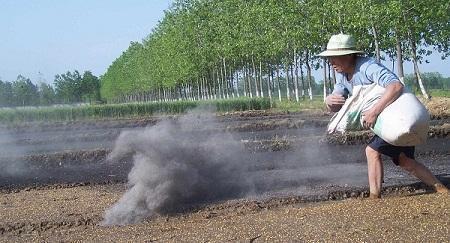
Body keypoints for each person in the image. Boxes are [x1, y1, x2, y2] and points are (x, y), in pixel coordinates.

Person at [318, 33, 449, 199]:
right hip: (390, 122)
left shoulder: (367, 67)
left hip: (394, 115)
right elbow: (336, 104)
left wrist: (374, 111)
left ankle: (375, 198)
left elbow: (395, 86)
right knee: (404, 161)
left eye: (335, 58)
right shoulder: (342, 76)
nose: (331, 62)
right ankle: (441, 189)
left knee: (371, 151)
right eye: (330, 58)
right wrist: (329, 101)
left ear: (350, 55)